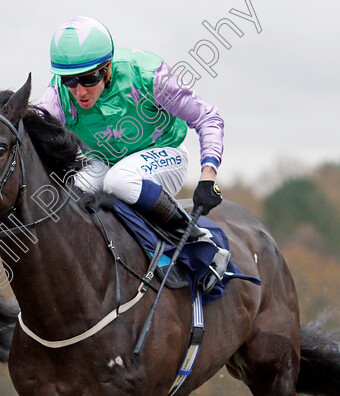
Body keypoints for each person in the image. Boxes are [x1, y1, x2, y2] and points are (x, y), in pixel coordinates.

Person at [37, 17, 229, 291]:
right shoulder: (58, 94)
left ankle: (201, 242)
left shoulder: (150, 77)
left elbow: (208, 118)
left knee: (119, 180)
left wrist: (208, 176)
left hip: (165, 154)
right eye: (69, 81)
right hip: (104, 161)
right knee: (69, 193)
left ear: (107, 68)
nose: (79, 91)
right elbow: (33, 131)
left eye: (88, 79)